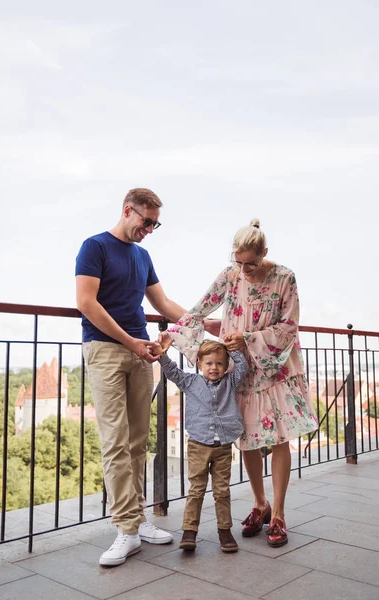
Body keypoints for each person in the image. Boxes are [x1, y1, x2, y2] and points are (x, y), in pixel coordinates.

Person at [161, 219, 318, 548]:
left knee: (279, 438)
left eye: (252, 263)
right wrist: (172, 335)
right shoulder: (229, 275)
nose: (244, 269)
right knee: (245, 436)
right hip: (241, 369)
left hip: (275, 366)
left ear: (265, 253)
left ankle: (280, 515)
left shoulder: (285, 277)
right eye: (239, 262)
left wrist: (247, 338)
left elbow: (289, 327)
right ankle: (261, 504)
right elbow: (200, 309)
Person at [75, 188, 186, 567]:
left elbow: (164, 304)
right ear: (128, 210)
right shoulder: (94, 247)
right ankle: (125, 528)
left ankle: (138, 521)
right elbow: (86, 303)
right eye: (146, 221)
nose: (150, 229)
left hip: (141, 354)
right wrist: (130, 342)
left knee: (139, 439)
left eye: (156, 223)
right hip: (106, 351)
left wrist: (200, 325)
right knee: (115, 441)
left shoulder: (143, 256)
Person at [157, 340, 247, 553]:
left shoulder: (230, 382)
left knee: (222, 491)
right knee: (196, 489)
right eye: (209, 363)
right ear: (199, 364)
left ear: (225, 366)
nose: (214, 367)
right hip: (198, 444)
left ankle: (224, 530)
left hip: (223, 445)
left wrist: (231, 348)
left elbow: (242, 367)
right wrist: (162, 355)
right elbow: (171, 371)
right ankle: (189, 531)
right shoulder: (190, 382)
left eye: (218, 363)